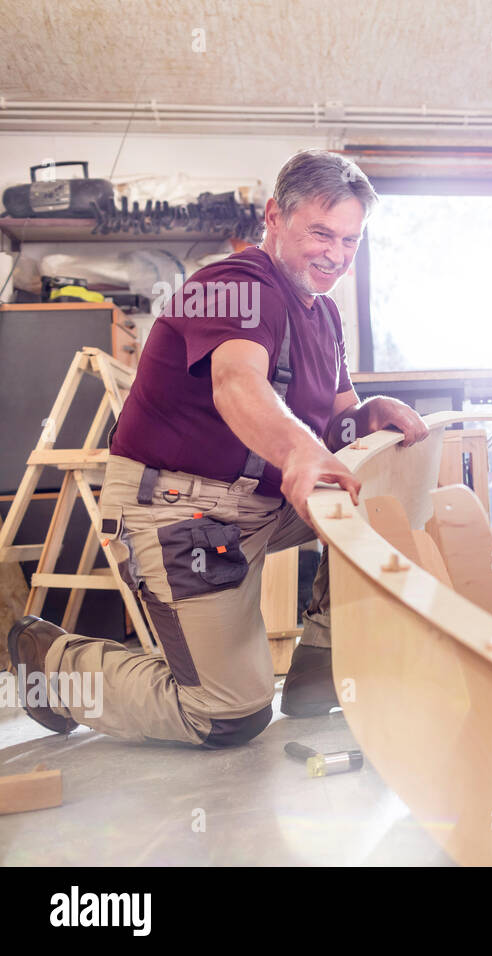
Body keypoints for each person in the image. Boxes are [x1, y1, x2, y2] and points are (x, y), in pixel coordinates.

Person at [7, 149, 428, 746]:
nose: (336, 255)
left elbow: (339, 421)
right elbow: (238, 383)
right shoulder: (233, 286)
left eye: (351, 242)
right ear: (274, 215)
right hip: (183, 513)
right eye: (321, 232)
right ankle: (56, 666)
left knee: (383, 497)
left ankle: (323, 666)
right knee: (227, 714)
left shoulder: (325, 314)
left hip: (262, 504)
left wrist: (368, 416)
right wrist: (303, 453)